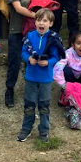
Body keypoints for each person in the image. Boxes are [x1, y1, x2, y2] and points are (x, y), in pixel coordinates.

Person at [18, 8, 65, 143]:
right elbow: (23, 53)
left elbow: (56, 57)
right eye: (39, 20)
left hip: (45, 79)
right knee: (29, 105)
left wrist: (49, 62)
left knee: (44, 106)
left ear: (50, 23)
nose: (41, 23)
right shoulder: (30, 36)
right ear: (35, 22)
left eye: (45, 21)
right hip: (31, 77)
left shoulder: (54, 39)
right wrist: (28, 59)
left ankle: (44, 131)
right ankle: (26, 129)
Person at [4, 0, 36, 107]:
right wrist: (37, 15)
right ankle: (9, 90)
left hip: (30, 32)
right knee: (14, 63)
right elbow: (18, 8)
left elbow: (34, 4)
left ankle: (31, 91)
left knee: (32, 61)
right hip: (16, 31)